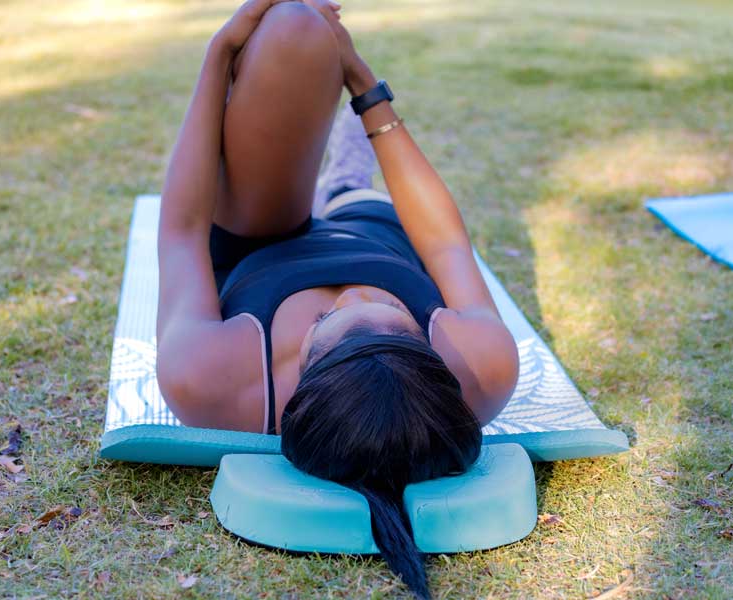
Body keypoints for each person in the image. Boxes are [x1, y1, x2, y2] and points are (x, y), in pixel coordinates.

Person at [155, 1, 519, 597]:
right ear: (431, 354)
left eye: (328, 317)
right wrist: (364, 86)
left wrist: (218, 55)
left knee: (293, 26)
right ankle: (348, 177)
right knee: (352, 183)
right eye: (386, 305)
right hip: (375, 232)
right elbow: (449, 245)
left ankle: (332, 177)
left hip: (259, 234)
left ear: (303, 371)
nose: (351, 291)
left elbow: (180, 231)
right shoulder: (481, 366)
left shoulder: (214, 380)